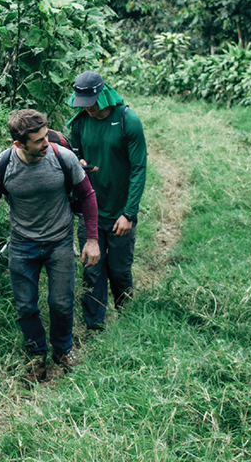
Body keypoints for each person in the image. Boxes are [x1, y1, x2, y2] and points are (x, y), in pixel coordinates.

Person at [0, 109, 100, 377]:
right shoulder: (1, 168)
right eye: (39, 141)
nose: (47, 143)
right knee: (25, 306)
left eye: (47, 136)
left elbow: (88, 195)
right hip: (22, 244)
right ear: (19, 144)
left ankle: (63, 349)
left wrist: (91, 239)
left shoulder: (62, 157)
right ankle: (36, 357)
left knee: (61, 302)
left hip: (60, 241)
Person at [66, 71, 147, 332]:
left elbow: (139, 168)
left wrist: (129, 213)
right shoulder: (78, 123)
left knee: (119, 270)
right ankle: (94, 328)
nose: (87, 108)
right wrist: (78, 165)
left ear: (102, 95)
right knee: (92, 270)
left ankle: (126, 319)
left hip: (120, 211)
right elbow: (74, 158)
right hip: (90, 212)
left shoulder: (127, 120)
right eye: (83, 104)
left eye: (91, 102)